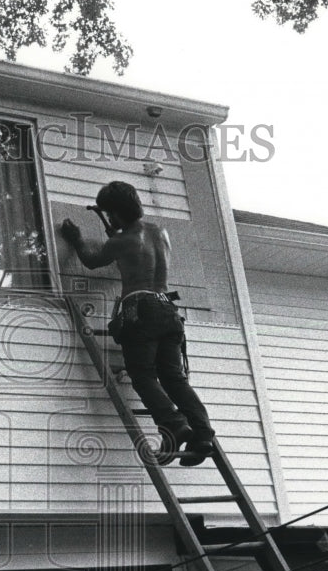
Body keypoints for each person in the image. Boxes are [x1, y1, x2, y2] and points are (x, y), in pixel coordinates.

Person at [59, 181, 216, 466]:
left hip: (140, 308)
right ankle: (202, 434)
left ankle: (174, 423)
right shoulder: (160, 232)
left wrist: (77, 239)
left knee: (142, 375)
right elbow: (135, 249)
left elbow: (93, 261)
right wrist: (113, 229)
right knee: (174, 378)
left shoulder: (120, 241)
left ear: (115, 214)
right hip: (168, 308)